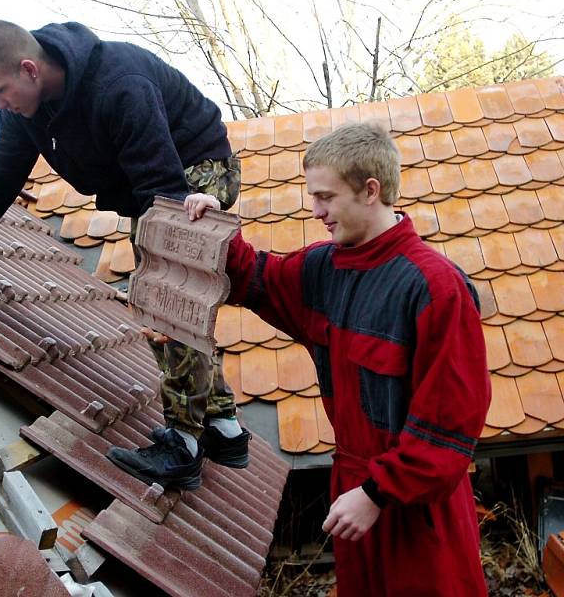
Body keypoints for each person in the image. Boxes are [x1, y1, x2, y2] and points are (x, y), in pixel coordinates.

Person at [0, 19, 251, 490]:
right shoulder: (25, 113)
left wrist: (160, 279)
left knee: (165, 300)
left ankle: (184, 447)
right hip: (152, 187)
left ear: (29, 69)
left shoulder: (118, 83)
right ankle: (224, 429)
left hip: (198, 174)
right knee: (162, 295)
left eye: (0, 90)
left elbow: (161, 191)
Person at [185, 122, 490, 596]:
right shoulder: (323, 269)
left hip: (416, 513)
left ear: (371, 191)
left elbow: (448, 428)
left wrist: (376, 494)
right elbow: (255, 277)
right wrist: (213, 229)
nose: (317, 212)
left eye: (326, 197)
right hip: (355, 492)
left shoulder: (434, 288)